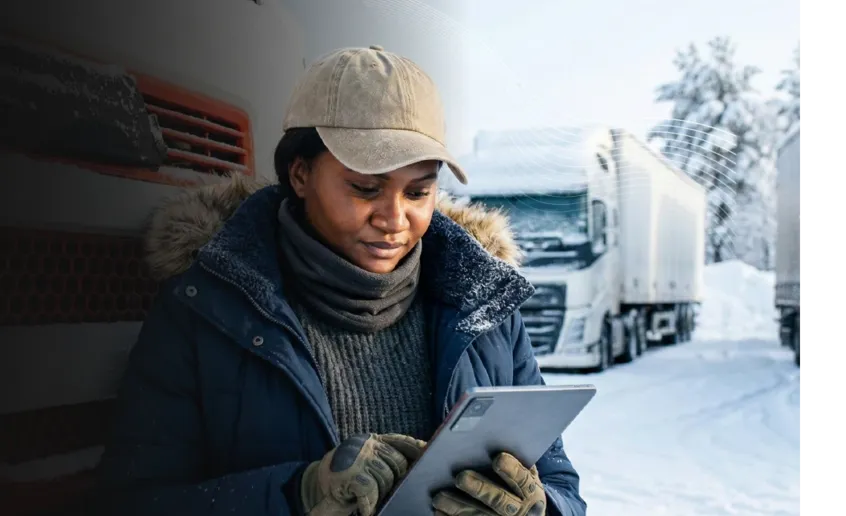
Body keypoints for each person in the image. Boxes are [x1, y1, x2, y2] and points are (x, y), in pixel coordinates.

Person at [95, 45, 586, 516]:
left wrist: (539, 509)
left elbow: (562, 486)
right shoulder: (207, 311)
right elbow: (132, 502)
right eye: (365, 188)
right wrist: (297, 495)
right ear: (301, 173)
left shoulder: (487, 312)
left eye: (418, 191)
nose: (395, 219)